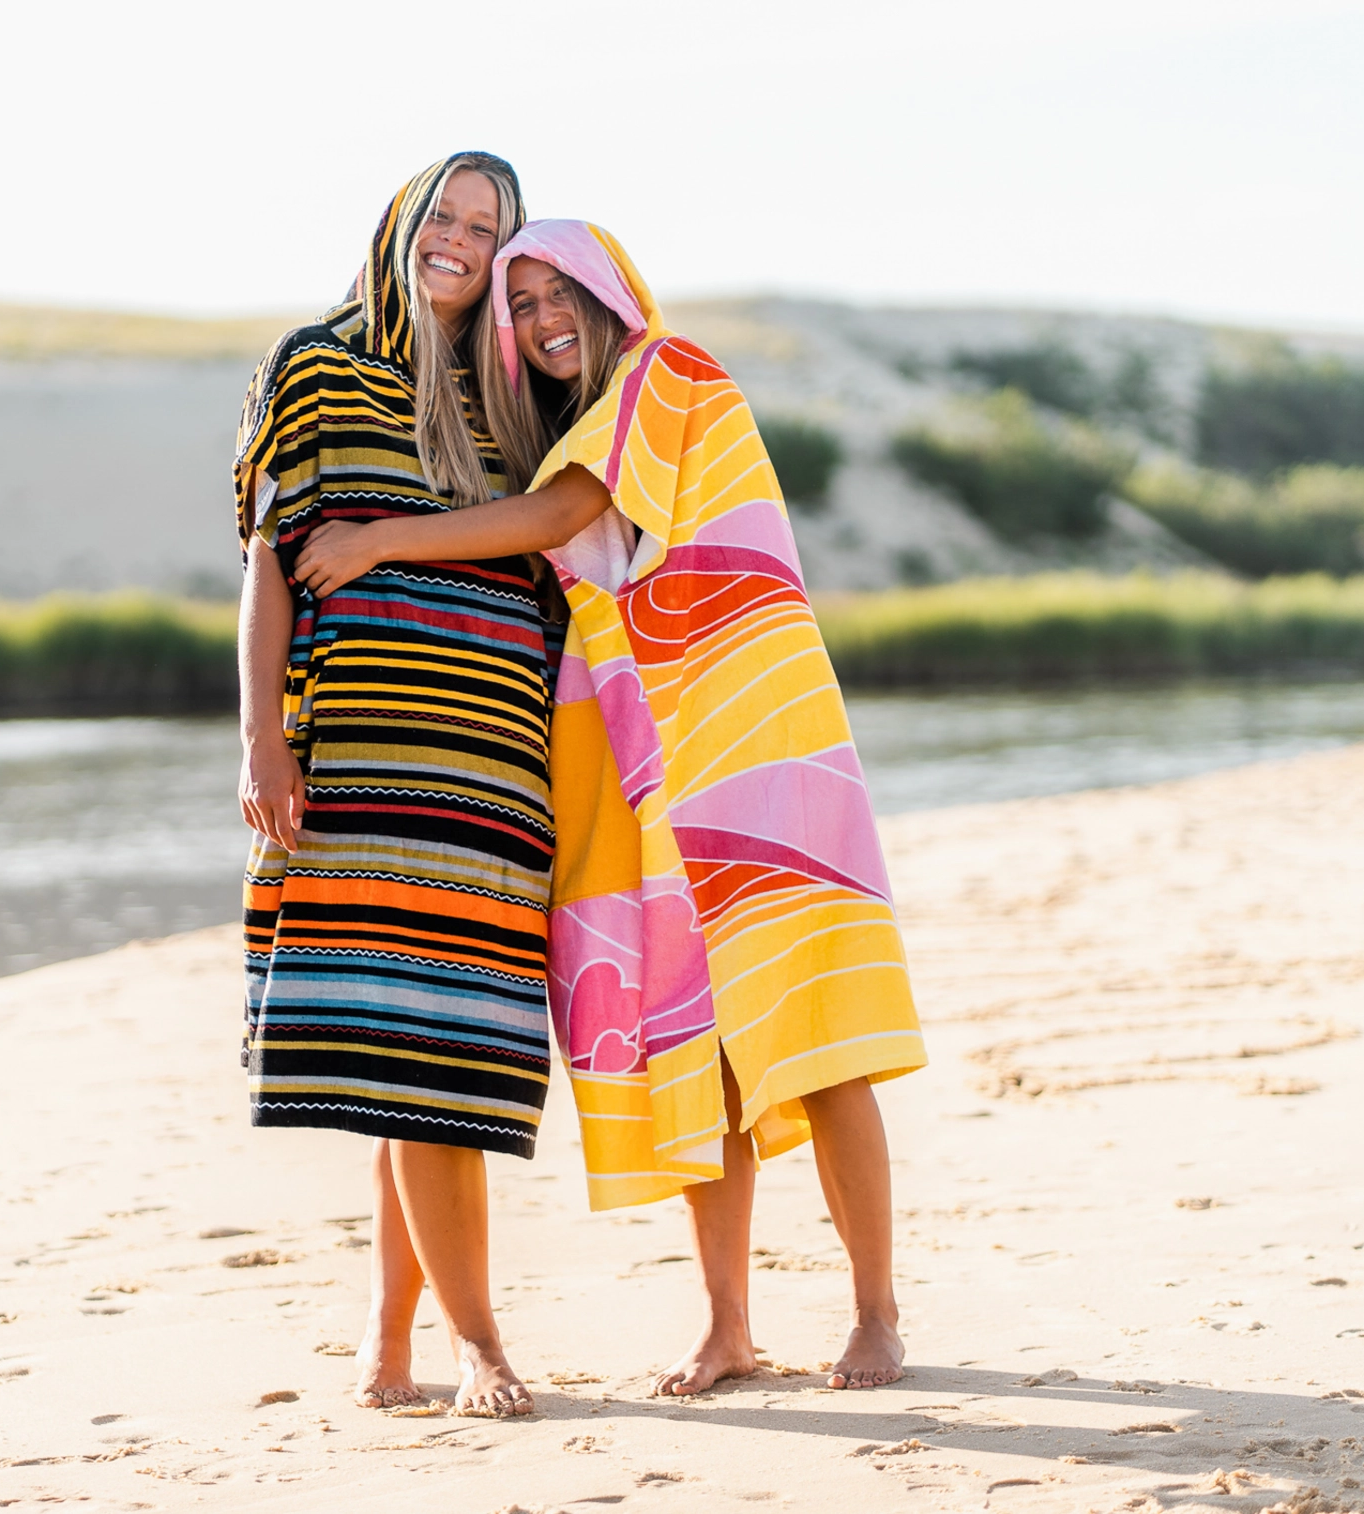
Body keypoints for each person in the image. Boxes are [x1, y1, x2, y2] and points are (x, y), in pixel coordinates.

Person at [294, 220, 927, 1396]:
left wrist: (380, 539)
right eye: (517, 305)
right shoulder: (589, 415)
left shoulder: (665, 373)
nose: (537, 319)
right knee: (706, 1049)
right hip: (651, 760)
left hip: (749, 743)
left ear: (609, 288)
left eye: (552, 291)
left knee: (815, 1032)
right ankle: (728, 1324)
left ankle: (877, 1313)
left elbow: (552, 516)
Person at [233, 153, 556, 1418]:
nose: (464, 244)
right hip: (371, 765)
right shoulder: (316, 363)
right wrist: (261, 733)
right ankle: (481, 1340)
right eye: (449, 218)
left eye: (488, 229)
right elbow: (270, 556)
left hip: (494, 776)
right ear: (403, 225)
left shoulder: (512, 397)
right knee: (423, 1060)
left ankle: (389, 1348)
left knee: (431, 1057)